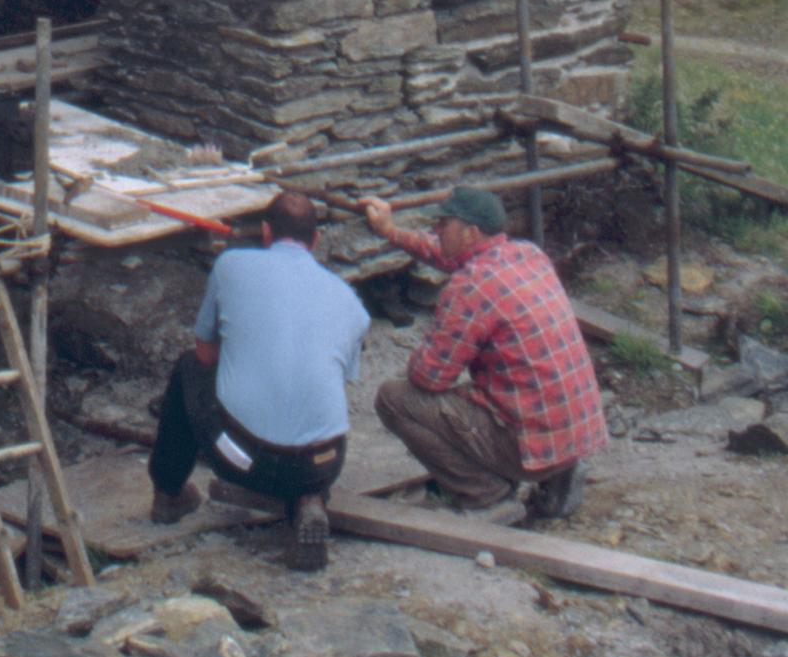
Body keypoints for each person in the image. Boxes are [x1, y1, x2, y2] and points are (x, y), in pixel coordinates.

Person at [147, 190, 369, 572]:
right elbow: (340, 381)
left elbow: (204, 355)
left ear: (266, 232)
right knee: (310, 423)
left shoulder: (231, 265)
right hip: (326, 460)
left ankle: (170, 495)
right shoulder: (350, 301)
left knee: (188, 368)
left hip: (244, 459)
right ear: (315, 241)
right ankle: (308, 499)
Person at [362, 183, 607, 521]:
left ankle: (487, 497)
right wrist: (391, 232)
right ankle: (559, 478)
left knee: (395, 398)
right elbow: (444, 253)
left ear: (470, 232)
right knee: (500, 389)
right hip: (574, 433)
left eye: (443, 225)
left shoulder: (470, 287)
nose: (435, 230)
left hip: (530, 444)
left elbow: (429, 377)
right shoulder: (527, 254)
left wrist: (423, 350)